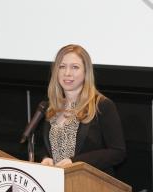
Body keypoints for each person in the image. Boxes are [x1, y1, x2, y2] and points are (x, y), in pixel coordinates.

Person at [39, 44, 126, 175]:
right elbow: (46, 146)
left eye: (75, 67)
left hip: (90, 183)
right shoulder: (50, 107)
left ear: (86, 72)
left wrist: (75, 162)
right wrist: (45, 158)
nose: (67, 73)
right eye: (62, 66)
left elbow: (117, 152)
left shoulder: (102, 105)